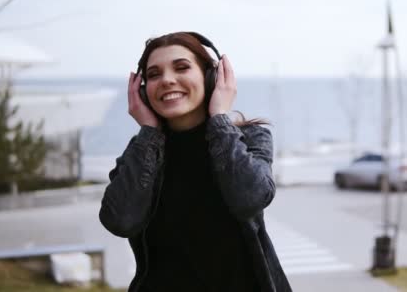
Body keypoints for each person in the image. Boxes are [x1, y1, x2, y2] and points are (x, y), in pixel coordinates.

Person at [98, 32, 291, 292]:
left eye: (182, 67)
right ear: (142, 90)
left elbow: (251, 199)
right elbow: (120, 221)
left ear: (211, 76)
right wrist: (149, 133)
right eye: (154, 74)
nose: (167, 80)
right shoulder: (142, 152)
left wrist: (219, 118)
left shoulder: (250, 138)